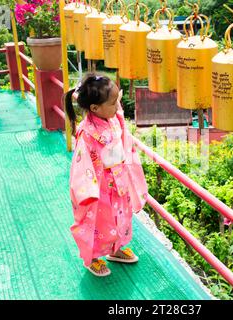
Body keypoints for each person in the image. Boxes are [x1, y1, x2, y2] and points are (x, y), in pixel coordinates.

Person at [64, 73, 148, 277]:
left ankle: (115, 249)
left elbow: (116, 114)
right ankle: (92, 258)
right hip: (98, 187)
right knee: (96, 224)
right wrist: (88, 191)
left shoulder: (111, 117)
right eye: (113, 102)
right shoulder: (88, 132)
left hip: (118, 184)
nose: (118, 105)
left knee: (119, 219)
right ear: (95, 108)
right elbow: (82, 165)